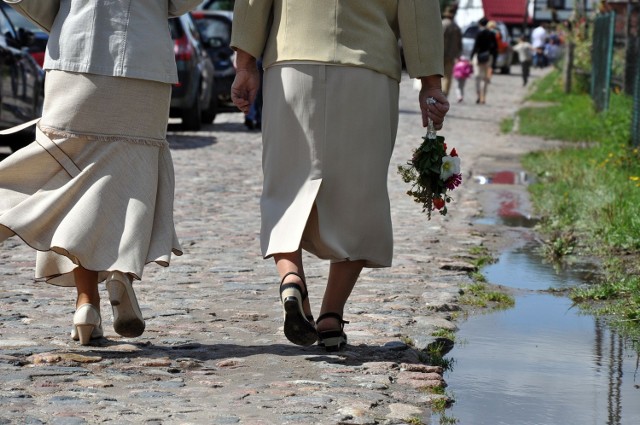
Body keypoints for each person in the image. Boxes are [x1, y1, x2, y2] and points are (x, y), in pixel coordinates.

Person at [230, 0, 449, 351]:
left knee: (285, 184)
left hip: (292, 61)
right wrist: (430, 83)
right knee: (360, 196)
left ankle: (291, 279)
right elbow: (418, 9)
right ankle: (331, 317)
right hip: (368, 67)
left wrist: (245, 63)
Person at [0, 0, 201, 345]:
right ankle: (121, 271)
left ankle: (87, 302)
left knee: (71, 176)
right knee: (130, 176)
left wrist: (64, 18)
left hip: (78, 53)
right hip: (144, 60)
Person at [470, 17, 498, 104]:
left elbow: (475, 46)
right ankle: (483, 97)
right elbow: (495, 48)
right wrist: (494, 60)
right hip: (488, 57)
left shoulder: (478, 33)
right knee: (485, 79)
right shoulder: (491, 34)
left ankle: (478, 95)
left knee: (477, 77)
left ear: (479, 24)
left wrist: (471, 57)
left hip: (478, 57)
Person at [441, 6, 462, 98]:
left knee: (438, 75)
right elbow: (460, 43)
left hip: (441, 54)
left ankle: (438, 92)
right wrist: (458, 54)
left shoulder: (442, 24)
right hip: (451, 55)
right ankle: (445, 93)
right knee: (448, 76)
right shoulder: (456, 27)